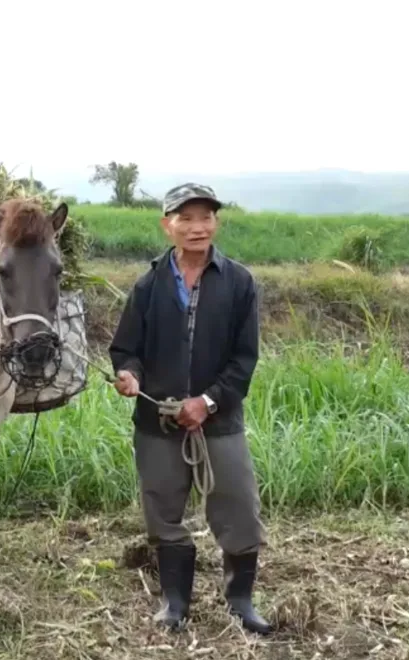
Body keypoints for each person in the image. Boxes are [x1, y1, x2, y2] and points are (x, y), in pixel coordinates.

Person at [108, 183, 271, 635]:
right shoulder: (149, 284)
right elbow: (125, 349)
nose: (197, 227)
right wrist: (130, 375)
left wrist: (208, 401)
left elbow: (245, 360)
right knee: (162, 510)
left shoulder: (239, 282)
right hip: (157, 422)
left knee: (238, 507)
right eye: (186, 218)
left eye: (205, 217)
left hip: (219, 421)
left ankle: (240, 601)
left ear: (216, 223)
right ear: (168, 225)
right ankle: (175, 602)